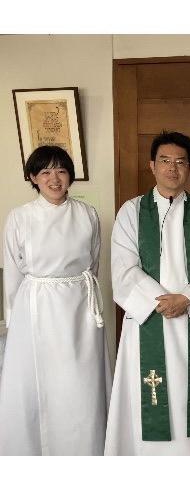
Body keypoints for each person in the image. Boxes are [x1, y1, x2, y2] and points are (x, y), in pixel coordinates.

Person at [105, 131, 190, 455]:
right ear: (152, 165)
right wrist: (161, 302)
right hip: (147, 322)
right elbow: (123, 269)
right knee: (150, 395)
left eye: (181, 162)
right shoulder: (131, 212)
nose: (172, 168)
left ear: (189, 167)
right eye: (165, 160)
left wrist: (188, 298)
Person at [0, 146, 111, 455]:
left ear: (70, 176)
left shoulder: (87, 214)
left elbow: (93, 263)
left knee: (81, 385)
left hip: (80, 307)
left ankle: (85, 450)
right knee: (38, 385)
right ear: (33, 177)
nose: (54, 179)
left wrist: (80, 295)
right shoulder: (20, 217)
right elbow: (13, 275)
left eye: (61, 171)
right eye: (45, 172)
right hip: (36, 308)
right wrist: (15, 323)